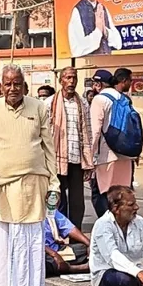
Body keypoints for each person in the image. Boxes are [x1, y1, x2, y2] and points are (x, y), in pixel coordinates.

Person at [0, 66, 59, 286]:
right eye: (7, 84)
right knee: (4, 245)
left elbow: (49, 149)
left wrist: (54, 183)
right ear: (1, 86)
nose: (12, 89)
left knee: (33, 242)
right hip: (3, 188)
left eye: (17, 84)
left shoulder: (39, 108)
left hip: (35, 185)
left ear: (24, 85)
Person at [51, 67, 94, 229]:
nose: (71, 81)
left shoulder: (82, 103)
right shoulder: (50, 104)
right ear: (61, 80)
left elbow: (88, 132)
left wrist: (90, 161)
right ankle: (59, 233)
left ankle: (76, 234)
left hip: (76, 159)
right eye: (67, 78)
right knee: (58, 199)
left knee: (77, 202)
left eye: (74, 78)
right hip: (56, 160)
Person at [89, 68, 136, 218]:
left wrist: (89, 157)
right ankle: (123, 225)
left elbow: (95, 131)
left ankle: (108, 226)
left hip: (106, 155)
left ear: (98, 84)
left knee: (102, 193)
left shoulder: (99, 100)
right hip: (125, 154)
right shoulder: (125, 99)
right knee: (122, 194)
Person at [43, 208, 90, 276]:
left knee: (85, 249)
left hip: (57, 250)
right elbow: (33, 243)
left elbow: (69, 228)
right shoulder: (27, 214)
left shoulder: (49, 210)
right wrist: (54, 254)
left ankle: (65, 267)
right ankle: (74, 268)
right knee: (43, 263)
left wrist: (89, 244)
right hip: (41, 253)